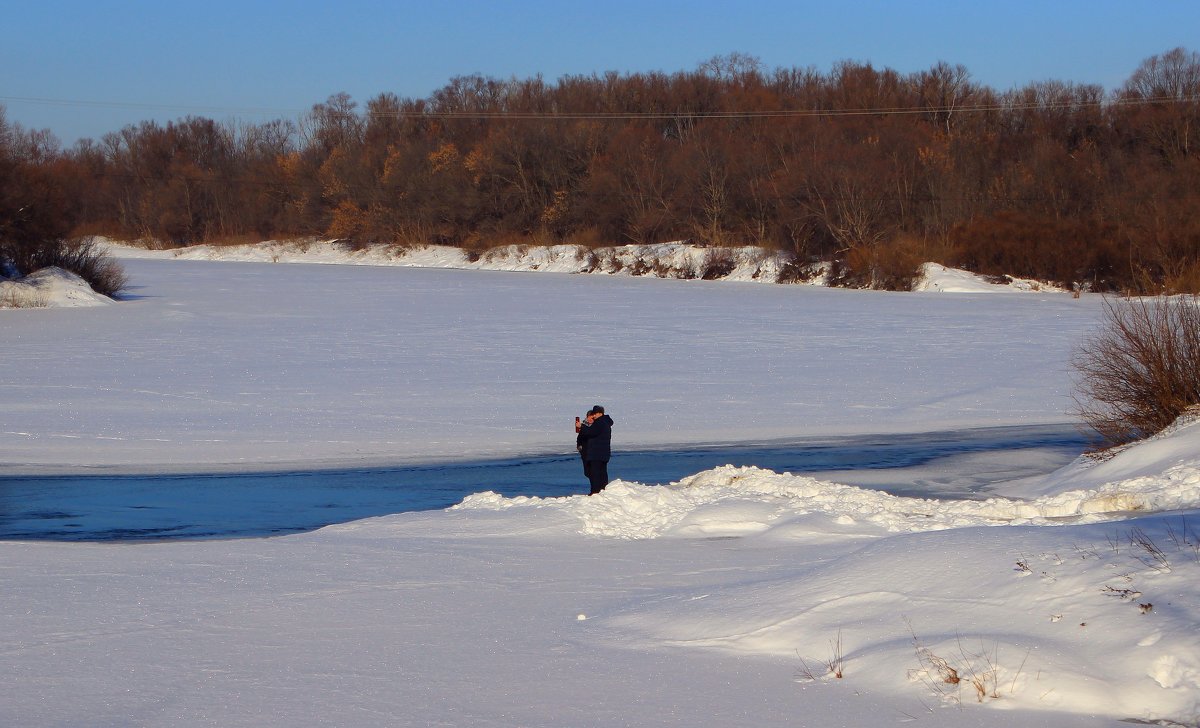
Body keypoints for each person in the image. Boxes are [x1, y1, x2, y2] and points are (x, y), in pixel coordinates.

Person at [576, 405, 613, 495]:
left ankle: (595, 492)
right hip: (601, 453)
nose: (594, 416)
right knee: (600, 472)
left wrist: (582, 426)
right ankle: (602, 491)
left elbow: (591, 432)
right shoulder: (605, 422)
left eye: (595, 414)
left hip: (597, 453)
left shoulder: (600, 422)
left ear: (600, 413)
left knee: (595, 473)